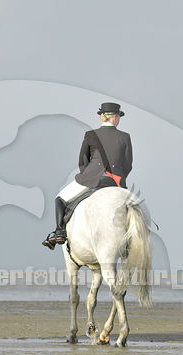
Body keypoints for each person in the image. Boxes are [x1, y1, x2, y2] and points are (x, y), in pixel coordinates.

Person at [42, 102, 133, 249]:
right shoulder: (125, 137)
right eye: (119, 117)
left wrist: (88, 175)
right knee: (135, 209)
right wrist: (118, 178)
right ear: (115, 117)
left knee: (60, 198)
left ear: (102, 117)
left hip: (91, 179)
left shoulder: (90, 135)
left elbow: (83, 161)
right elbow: (128, 164)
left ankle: (59, 232)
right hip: (116, 182)